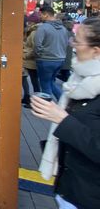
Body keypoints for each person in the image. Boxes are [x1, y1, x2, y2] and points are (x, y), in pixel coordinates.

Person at [31, 17, 100, 209]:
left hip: (89, 194)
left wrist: (62, 118)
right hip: (71, 185)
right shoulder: (78, 78)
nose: (72, 44)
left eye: (77, 40)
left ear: (96, 51)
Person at [35, 6, 69, 100]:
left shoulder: (43, 28)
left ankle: (48, 107)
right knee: (50, 82)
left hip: (45, 60)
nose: (40, 17)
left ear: (46, 14)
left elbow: (37, 45)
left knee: (45, 85)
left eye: (41, 14)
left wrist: (38, 56)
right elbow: (66, 44)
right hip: (60, 60)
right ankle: (64, 103)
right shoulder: (63, 28)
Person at [23, 22, 41, 108]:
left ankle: (36, 103)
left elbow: (34, 48)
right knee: (27, 79)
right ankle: (27, 97)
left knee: (35, 82)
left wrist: (25, 55)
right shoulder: (35, 32)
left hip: (31, 61)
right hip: (30, 61)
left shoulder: (34, 33)